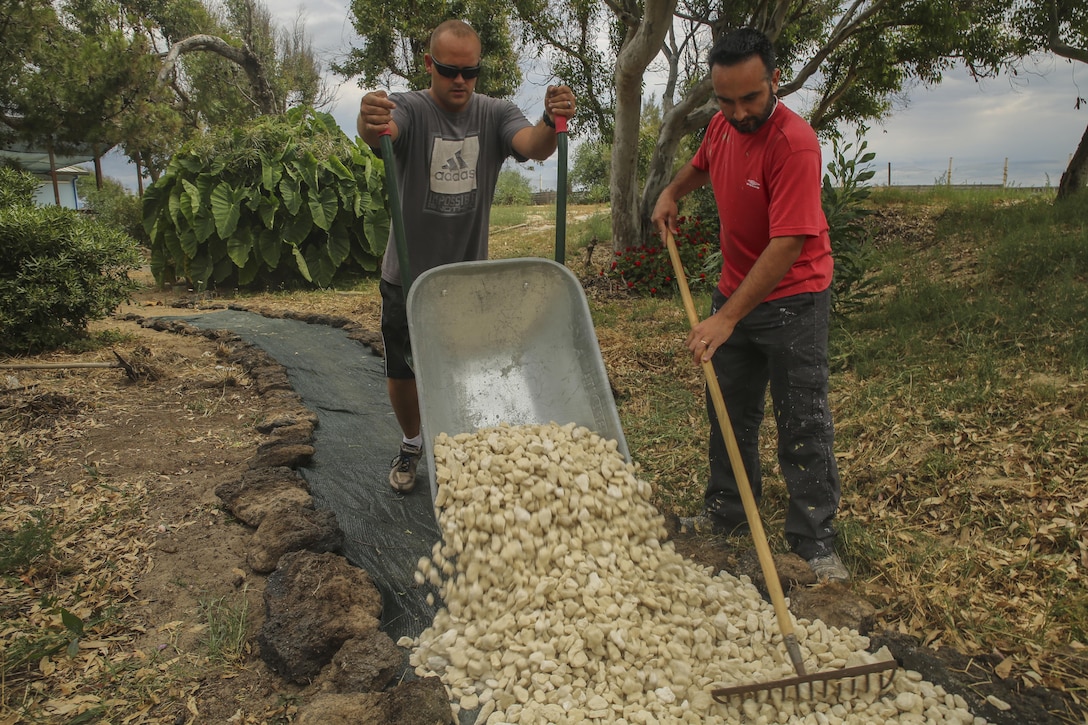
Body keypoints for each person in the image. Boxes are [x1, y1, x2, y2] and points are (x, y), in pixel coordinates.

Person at [651, 27, 848, 583]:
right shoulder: (721, 125)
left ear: (775, 81)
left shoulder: (793, 144)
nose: (738, 114)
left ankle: (813, 542)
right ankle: (729, 513)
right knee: (728, 411)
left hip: (794, 299)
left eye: (750, 100)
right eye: (726, 100)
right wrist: (671, 192)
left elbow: (788, 245)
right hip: (733, 294)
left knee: (801, 420)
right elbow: (701, 164)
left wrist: (726, 317)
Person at [357, 19, 577, 493]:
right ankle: (413, 441)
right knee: (404, 368)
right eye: (449, 70)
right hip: (408, 277)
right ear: (428, 64)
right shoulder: (413, 109)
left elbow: (534, 147)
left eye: (470, 71)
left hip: (466, 277)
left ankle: (462, 448)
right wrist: (369, 119)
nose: (460, 80)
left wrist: (549, 118)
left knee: (468, 366)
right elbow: (382, 133)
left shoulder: (496, 114)